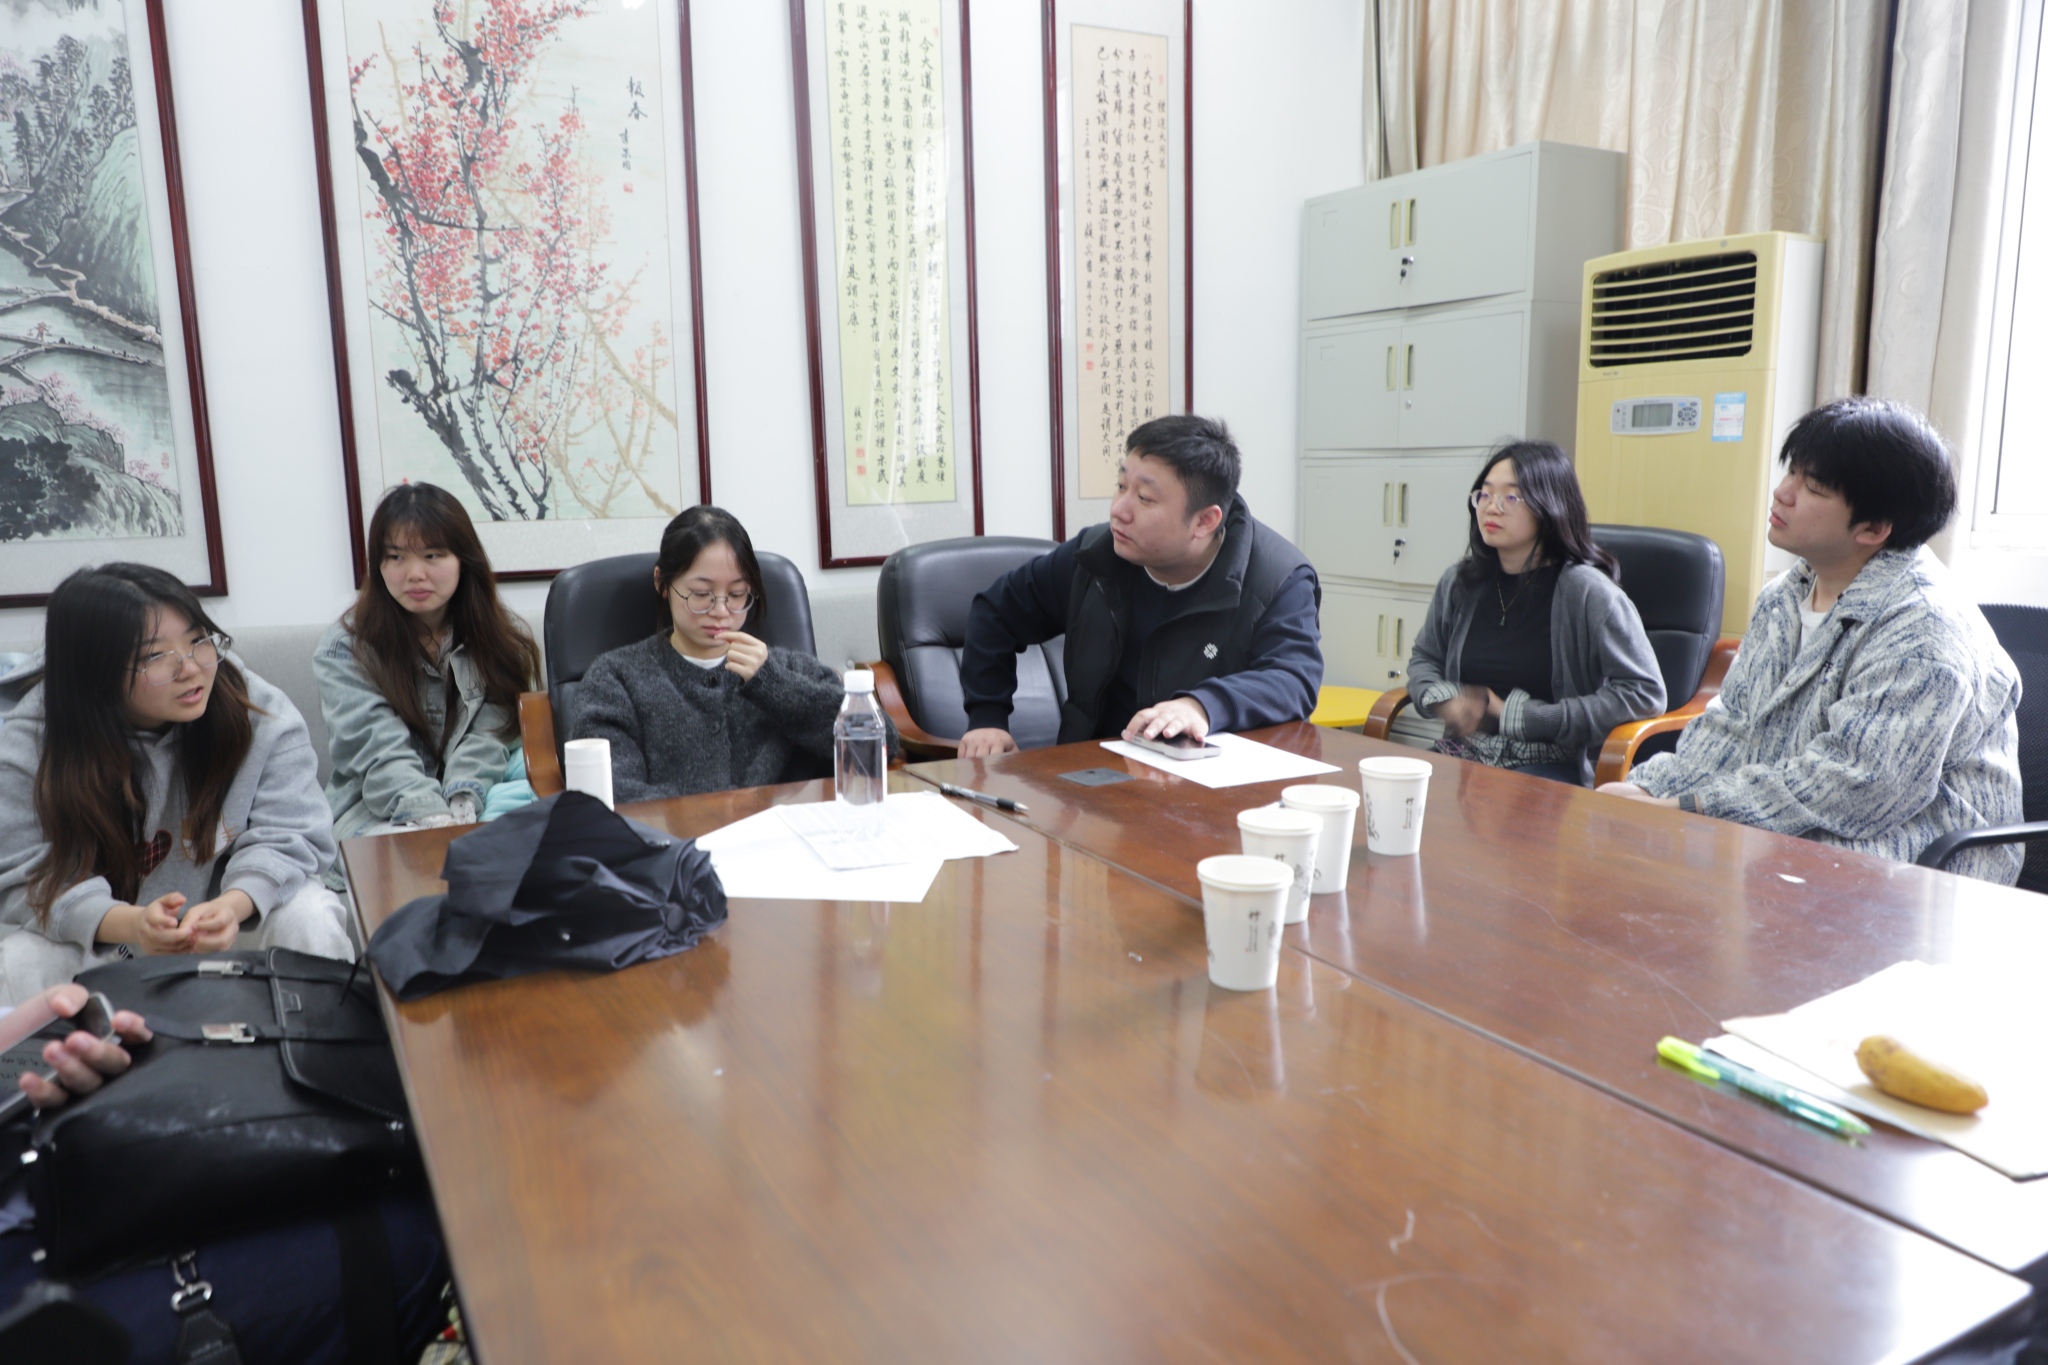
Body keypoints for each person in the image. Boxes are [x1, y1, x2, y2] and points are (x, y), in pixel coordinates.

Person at [1600, 398, 2023, 883]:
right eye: (1792, 472)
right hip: (1799, 827)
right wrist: (1650, 791)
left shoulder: (1926, 630)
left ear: (1874, 528)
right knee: (1623, 829)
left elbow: (1859, 785)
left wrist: (1691, 809)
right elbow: (1732, 726)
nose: (1782, 493)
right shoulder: (1785, 594)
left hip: (1925, 856)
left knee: (1705, 868)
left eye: (1813, 488)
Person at [0, 565, 355, 1007]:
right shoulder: (32, 738)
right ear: (95, 671)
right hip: (102, 934)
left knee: (310, 913)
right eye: (155, 656)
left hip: (228, 923)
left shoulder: (258, 711)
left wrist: (232, 906)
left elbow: (293, 832)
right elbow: (25, 874)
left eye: (197, 641)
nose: (190, 669)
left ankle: (326, 1046)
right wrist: (133, 924)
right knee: (20, 961)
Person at [958, 414, 1322, 754]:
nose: (1119, 509)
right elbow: (996, 612)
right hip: (1089, 776)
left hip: (1207, 785)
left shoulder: (1277, 579)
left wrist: (1202, 706)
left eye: (1145, 498)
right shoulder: (1095, 556)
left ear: (1205, 521)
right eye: (1121, 486)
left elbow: (1293, 678)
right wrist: (987, 718)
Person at [569, 505, 881, 802]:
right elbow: (611, 791)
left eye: (736, 594)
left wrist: (775, 686)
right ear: (662, 583)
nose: (721, 611)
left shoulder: (787, 669)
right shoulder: (616, 678)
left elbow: (880, 745)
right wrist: (711, 817)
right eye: (701, 594)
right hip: (673, 839)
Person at [1404, 441, 1665, 785]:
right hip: (1464, 752)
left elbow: (1645, 694)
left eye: (1510, 497)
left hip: (1548, 762)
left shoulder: (1588, 592)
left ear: (1549, 507)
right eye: (1484, 495)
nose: (1491, 508)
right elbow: (1425, 657)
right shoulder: (1460, 582)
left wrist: (1526, 717)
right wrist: (1442, 698)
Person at [315, 482, 540, 840]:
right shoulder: (346, 646)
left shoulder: (498, 637)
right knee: (415, 860)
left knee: (534, 836)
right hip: (375, 809)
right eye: (396, 557)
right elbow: (377, 752)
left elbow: (490, 738)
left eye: (432, 555)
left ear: (463, 560)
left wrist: (462, 801)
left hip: (473, 796)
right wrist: (433, 819)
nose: (415, 574)